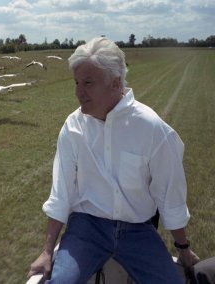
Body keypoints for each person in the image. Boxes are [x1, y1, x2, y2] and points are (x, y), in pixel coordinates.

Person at [27, 37, 200, 283]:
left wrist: (183, 247)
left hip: (138, 231)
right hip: (86, 228)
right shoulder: (73, 127)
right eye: (76, 82)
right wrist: (46, 252)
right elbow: (61, 193)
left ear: (116, 83)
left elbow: (169, 195)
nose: (78, 92)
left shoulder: (152, 129)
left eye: (88, 82)